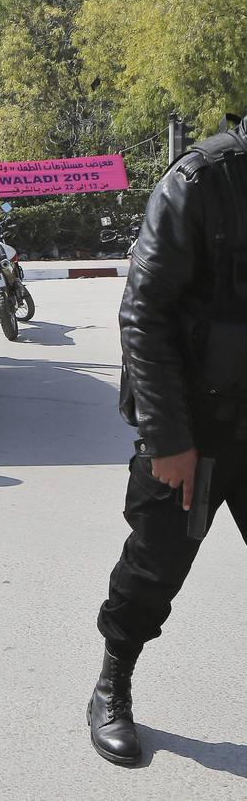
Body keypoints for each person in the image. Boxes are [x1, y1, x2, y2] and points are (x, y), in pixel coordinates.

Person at [87, 115, 247, 766]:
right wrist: (168, 437)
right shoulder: (202, 182)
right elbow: (143, 314)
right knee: (153, 571)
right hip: (195, 429)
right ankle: (110, 687)